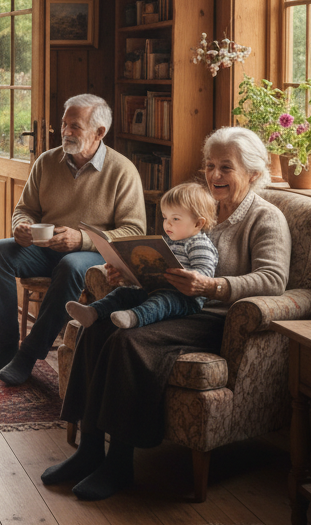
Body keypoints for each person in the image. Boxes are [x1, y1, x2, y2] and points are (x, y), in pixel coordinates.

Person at [44, 126, 291, 502]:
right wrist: (126, 269)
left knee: (128, 340)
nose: (215, 175)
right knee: (96, 329)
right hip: (170, 300)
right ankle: (89, 451)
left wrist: (213, 286)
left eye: (227, 167)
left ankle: (119, 463)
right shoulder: (196, 206)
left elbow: (273, 279)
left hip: (216, 315)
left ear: (254, 174)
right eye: (210, 166)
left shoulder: (266, 217)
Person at [0, 94, 146, 387]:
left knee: (71, 265)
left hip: (92, 255)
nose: (66, 131)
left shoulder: (122, 171)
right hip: (45, 249)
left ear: (99, 132)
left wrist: (81, 239)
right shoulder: (47, 161)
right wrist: (22, 225)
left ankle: (29, 354)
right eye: (64, 124)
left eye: (75, 126)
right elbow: (25, 209)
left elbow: (133, 231)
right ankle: (6, 347)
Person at [64, 180, 218, 330]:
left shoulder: (199, 244)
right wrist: (128, 271)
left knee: (162, 301)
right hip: (155, 290)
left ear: (198, 223)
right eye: (165, 217)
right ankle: (93, 311)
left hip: (184, 299)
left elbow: (205, 276)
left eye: (175, 219)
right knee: (124, 293)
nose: (167, 224)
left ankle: (134, 317)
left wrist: (185, 276)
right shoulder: (167, 241)